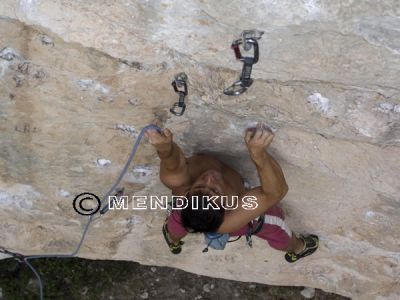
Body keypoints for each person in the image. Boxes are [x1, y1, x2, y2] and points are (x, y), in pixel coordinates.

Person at [145, 123, 319, 263]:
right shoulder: (231, 218)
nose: (209, 178)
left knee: (177, 220)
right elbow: (275, 192)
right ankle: (297, 248)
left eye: (200, 187)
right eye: (214, 190)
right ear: (227, 205)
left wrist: (164, 147)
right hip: (227, 215)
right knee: (274, 226)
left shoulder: (182, 190)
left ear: (189, 193)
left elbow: (171, 161)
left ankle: (173, 240)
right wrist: (258, 154)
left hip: (191, 208)